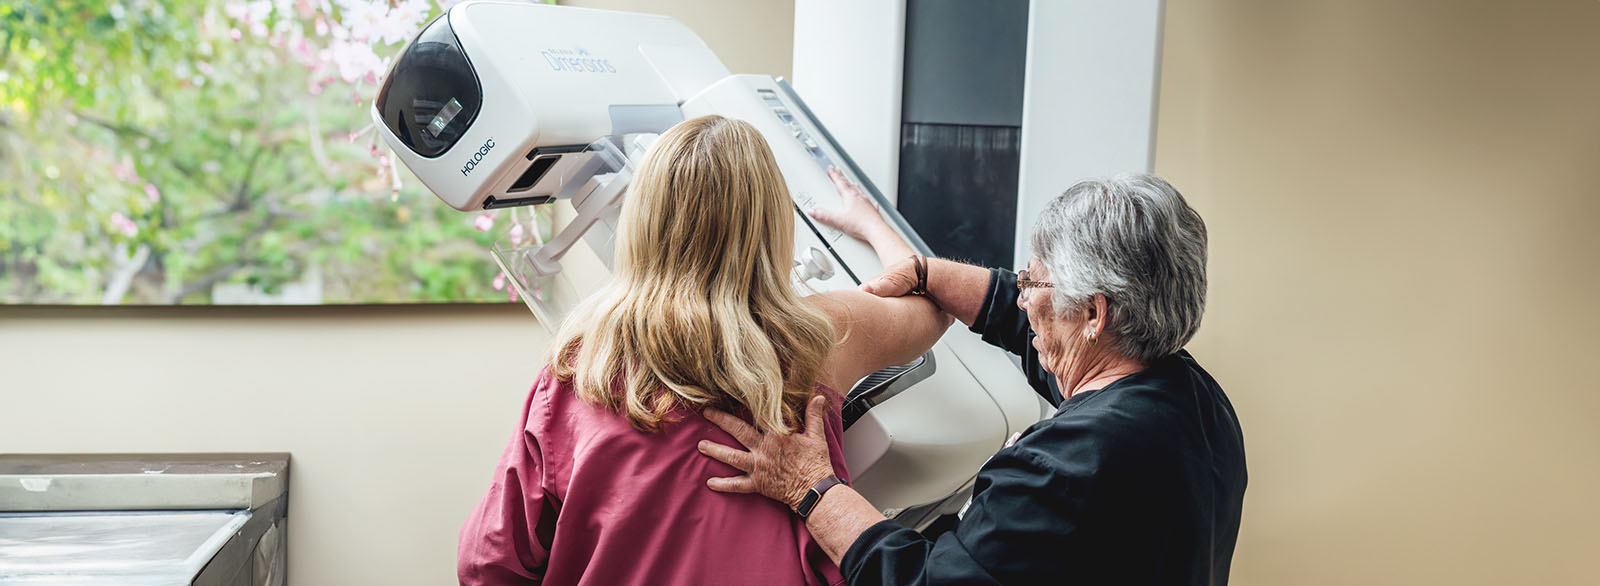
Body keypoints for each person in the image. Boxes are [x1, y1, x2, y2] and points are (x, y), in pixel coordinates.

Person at [456, 115, 952, 586]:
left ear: (642, 219)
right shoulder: (817, 339)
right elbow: (936, 301)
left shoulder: (577, 370)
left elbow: (487, 563)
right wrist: (870, 224)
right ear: (770, 223)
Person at [698, 173, 1248, 585]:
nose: (1023, 296)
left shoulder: (1063, 466)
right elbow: (1018, 314)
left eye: (1034, 281)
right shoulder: (1194, 399)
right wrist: (926, 272)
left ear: (1094, 315)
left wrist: (811, 488)